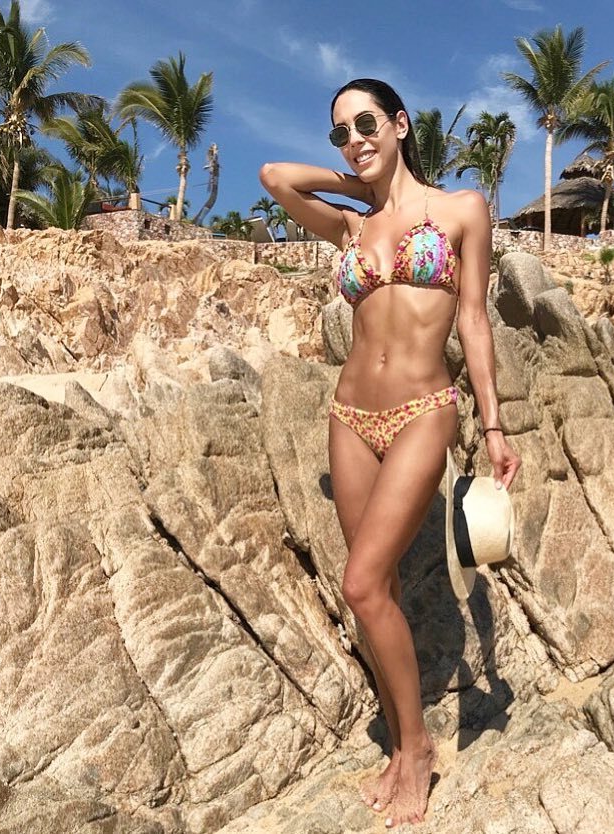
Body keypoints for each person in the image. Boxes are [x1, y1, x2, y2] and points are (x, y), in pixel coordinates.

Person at [259, 78, 521, 829]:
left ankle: (419, 750)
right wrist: (360, 181)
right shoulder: (350, 226)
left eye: (367, 123)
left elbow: (473, 320)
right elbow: (275, 178)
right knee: (381, 595)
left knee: (361, 583)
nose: (354, 140)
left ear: (401, 123)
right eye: (340, 132)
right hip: (350, 416)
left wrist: (493, 426)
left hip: (422, 411)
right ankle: (404, 746)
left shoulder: (461, 209)